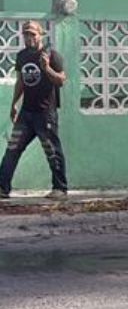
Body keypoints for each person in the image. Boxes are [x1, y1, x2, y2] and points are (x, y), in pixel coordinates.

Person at [0, 21, 68, 200]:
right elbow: (21, 81)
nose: (29, 38)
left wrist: (46, 68)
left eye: (32, 34)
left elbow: (61, 80)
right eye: (26, 34)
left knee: (52, 151)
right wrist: (14, 103)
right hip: (26, 113)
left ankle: (60, 189)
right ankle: (2, 188)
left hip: (45, 113)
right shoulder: (22, 56)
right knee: (12, 149)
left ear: (41, 35)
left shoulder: (52, 55)